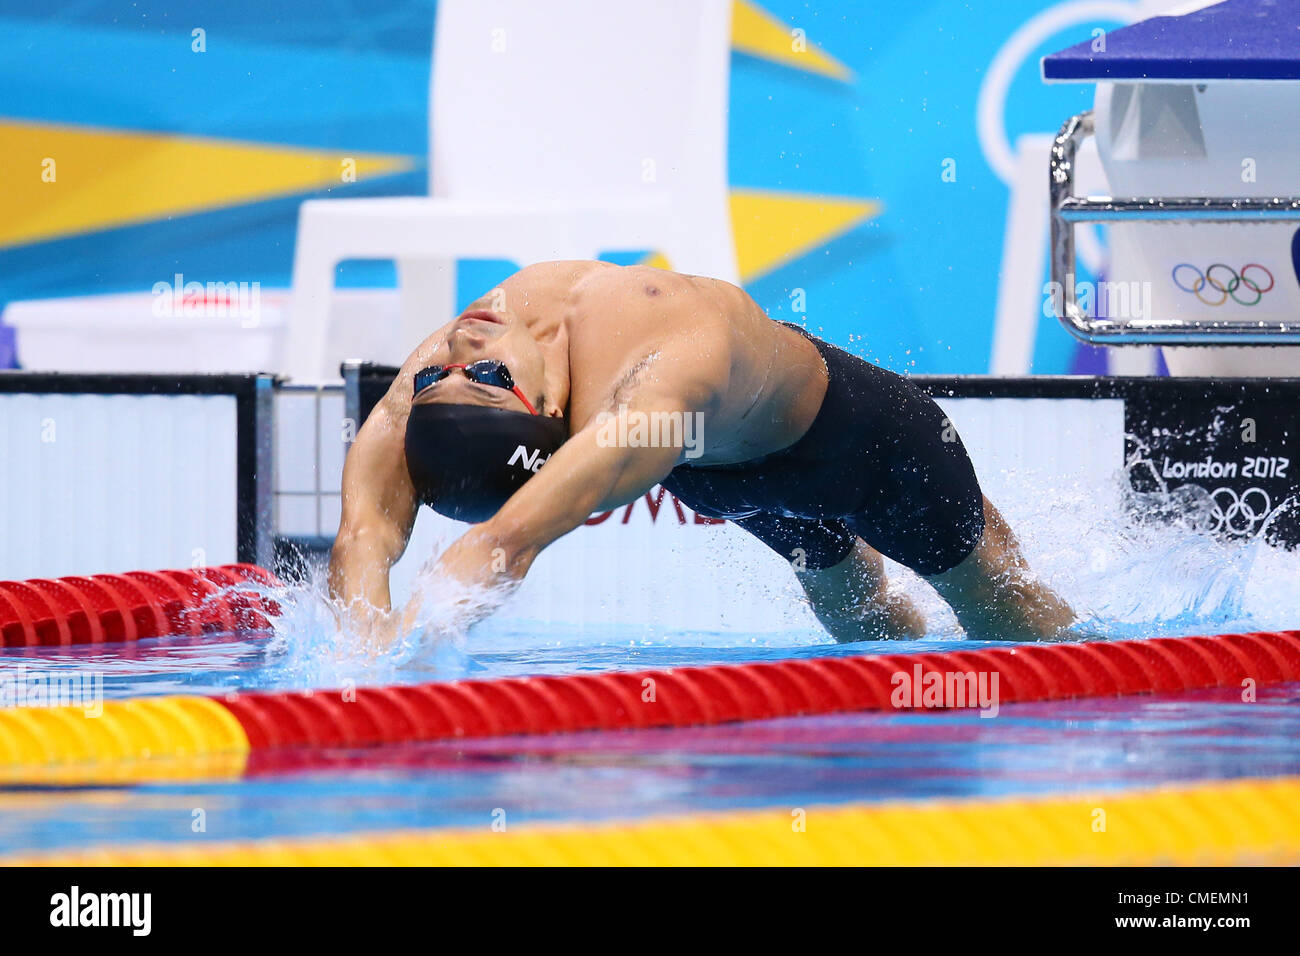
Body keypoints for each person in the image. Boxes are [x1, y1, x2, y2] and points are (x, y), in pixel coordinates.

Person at [328, 260, 1073, 645]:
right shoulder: (568, 390)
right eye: (474, 377)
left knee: (993, 600)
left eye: (450, 373)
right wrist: (365, 668)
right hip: (722, 478)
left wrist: (412, 630)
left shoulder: (655, 368)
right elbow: (375, 539)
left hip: (863, 441)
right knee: (859, 621)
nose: (457, 345)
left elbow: (494, 540)